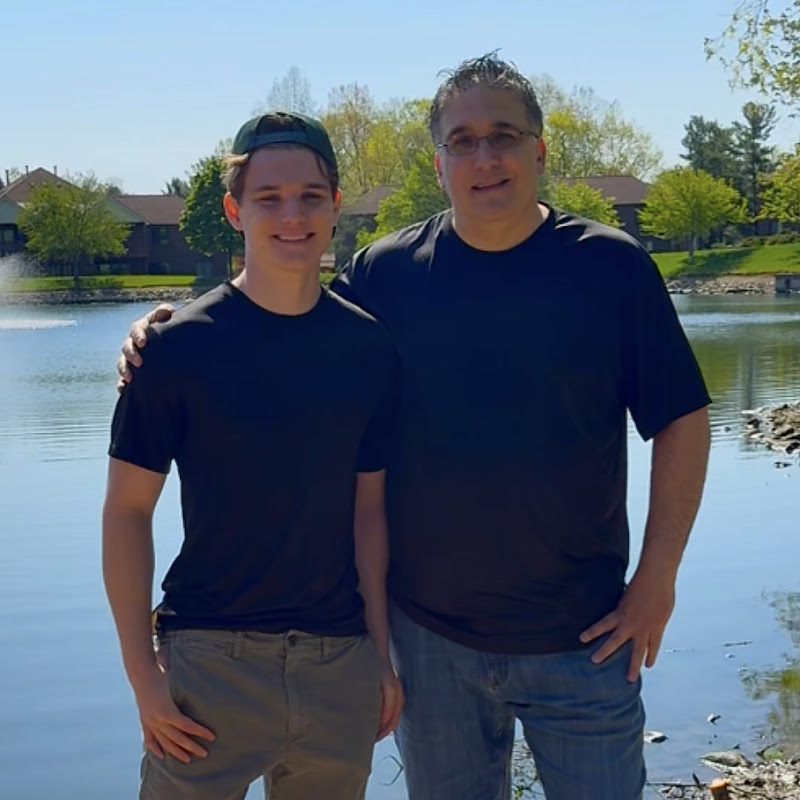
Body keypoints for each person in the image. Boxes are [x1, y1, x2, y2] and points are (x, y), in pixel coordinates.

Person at [117, 55, 711, 800]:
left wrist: (657, 579)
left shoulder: (611, 269)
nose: (485, 158)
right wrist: (163, 330)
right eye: (463, 141)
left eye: (505, 135)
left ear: (540, 150)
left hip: (584, 639)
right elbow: (281, 302)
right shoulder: (388, 273)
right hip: (430, 644)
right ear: (439, 162)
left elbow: (682, 421)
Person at [103, 111, 403, 800]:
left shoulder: (369, 349)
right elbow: (125, 513)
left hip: (338, 665)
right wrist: (143, 679)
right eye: (269, 198)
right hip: (208, 670)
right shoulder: (175, 349)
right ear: (235, 211)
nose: (291, 215)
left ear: (334, 208)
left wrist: (378, 655)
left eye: (310, 197)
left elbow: (368, 514)